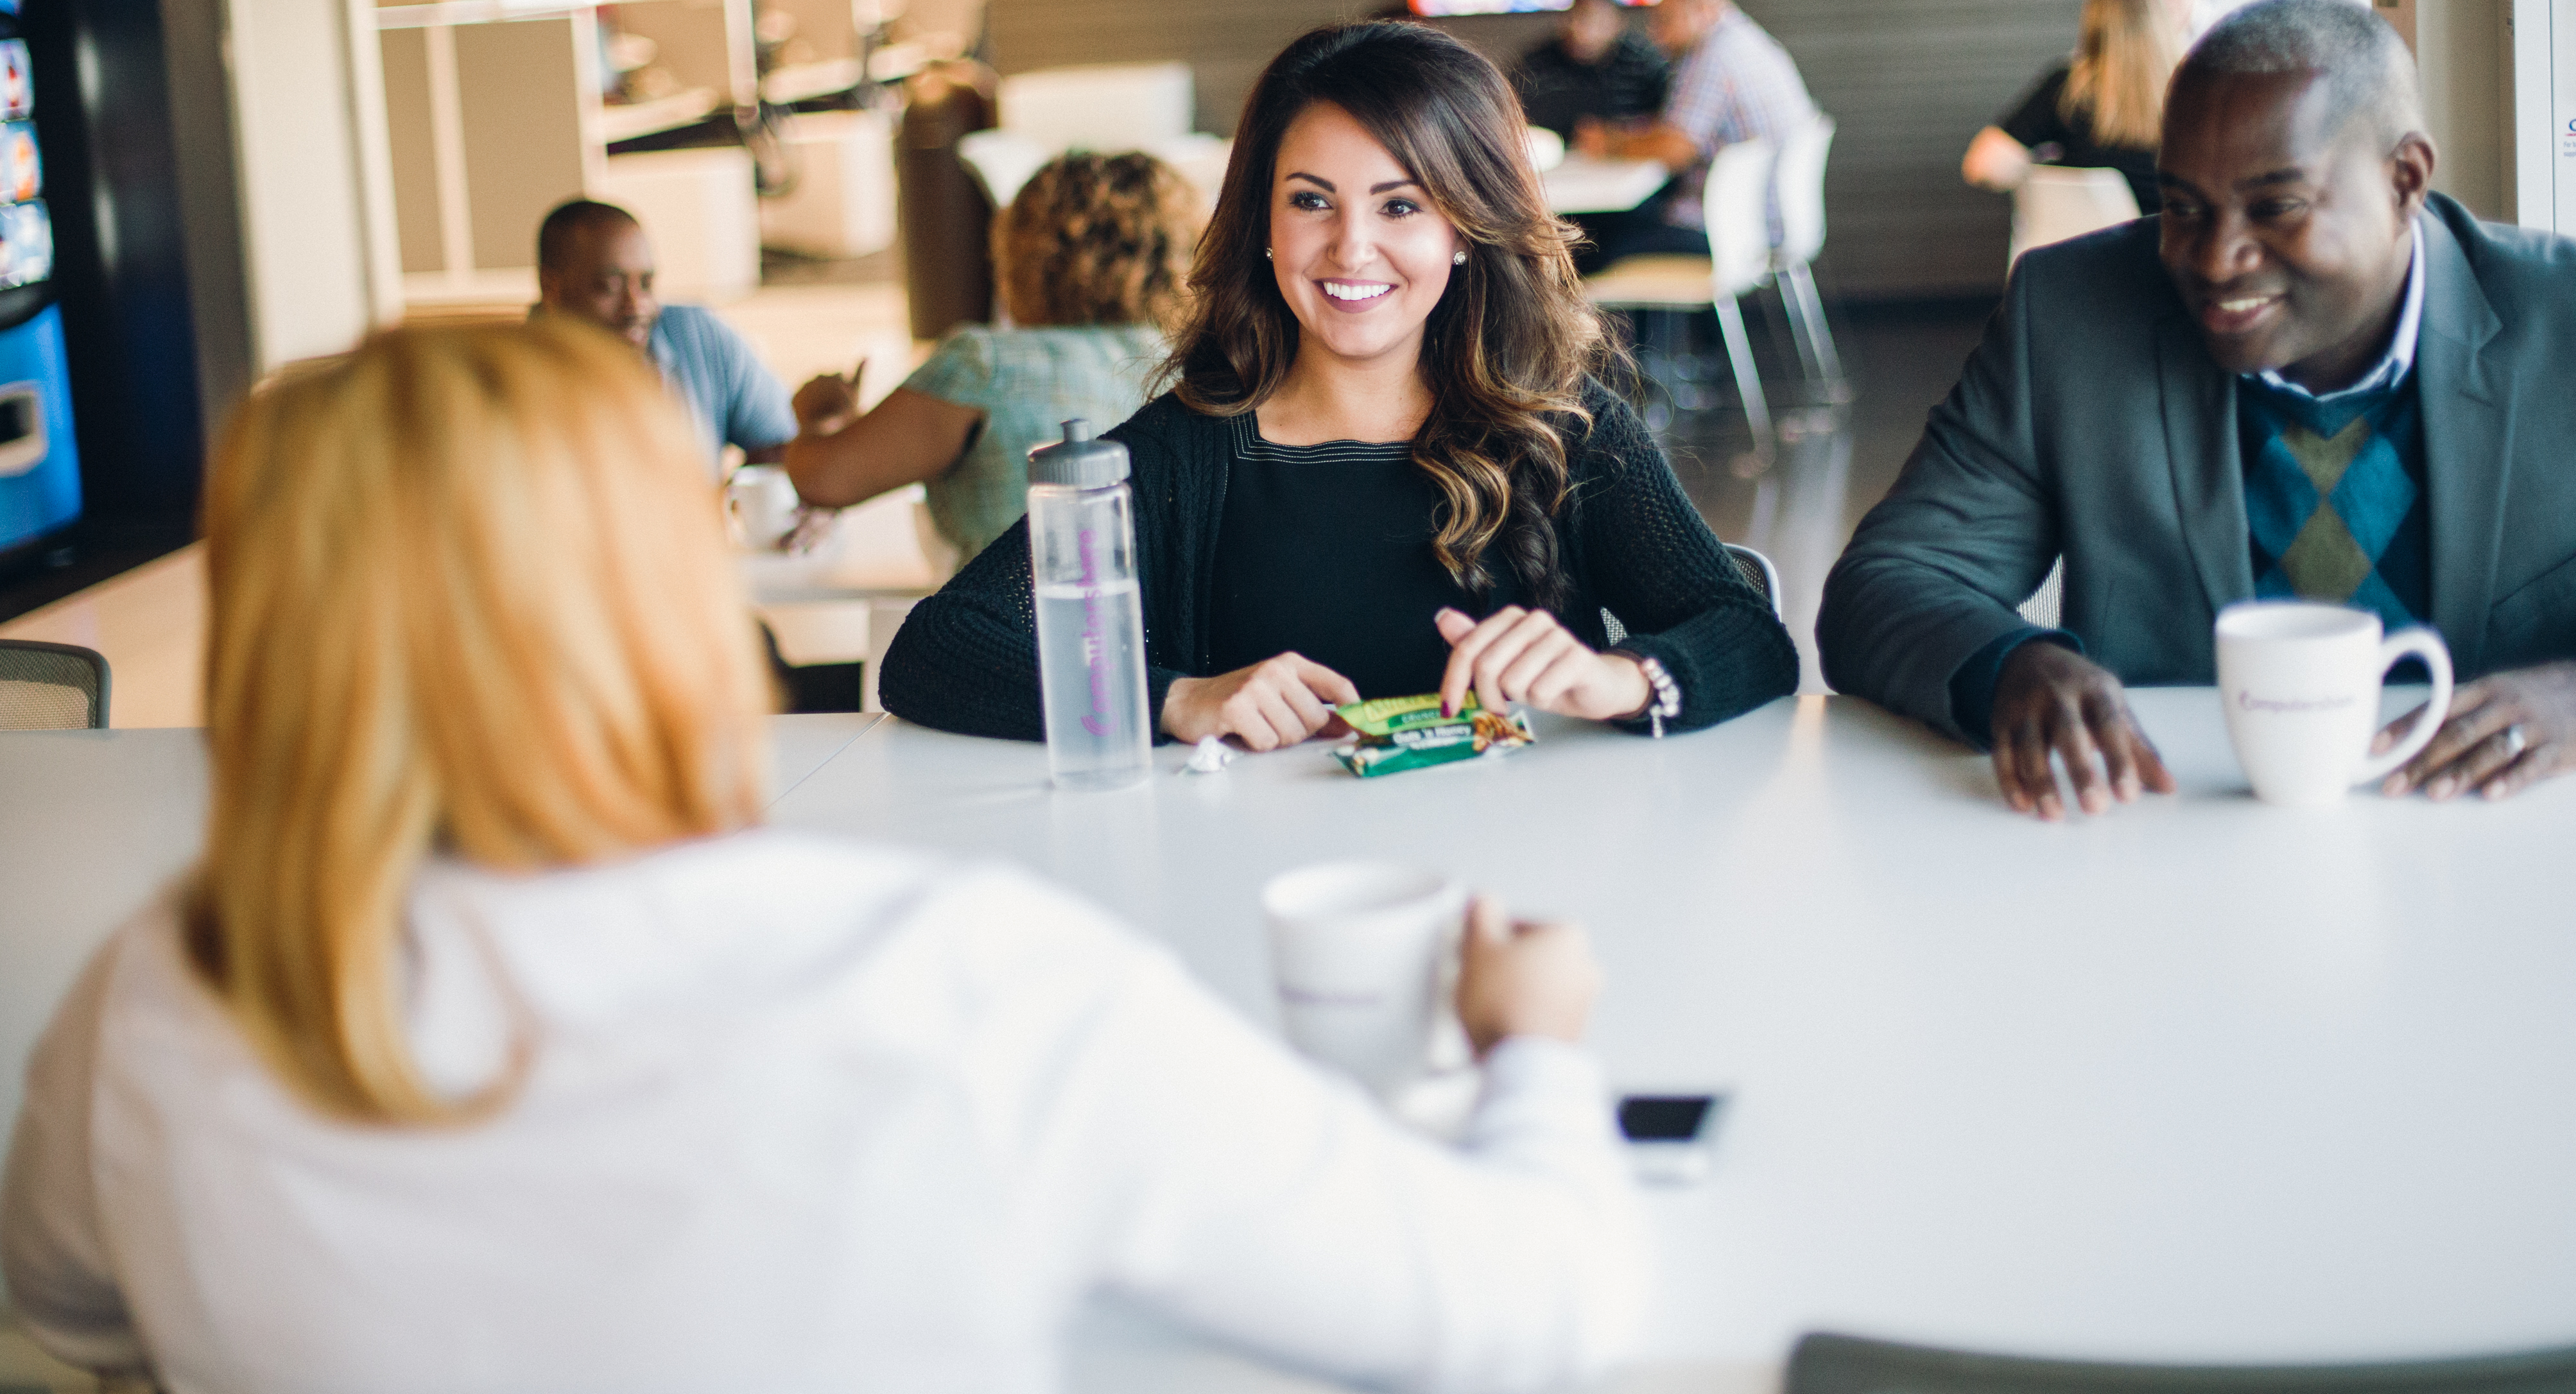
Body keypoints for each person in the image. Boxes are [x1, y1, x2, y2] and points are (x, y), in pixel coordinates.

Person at [0, 321, 1647, 1391]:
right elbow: (1533, 1316)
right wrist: (1533, 1045)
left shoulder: (160, 999)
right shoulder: (960, 988)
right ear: (662, 604)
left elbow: (72, 1330)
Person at [1819, 0, 2576, 818]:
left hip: (2539, 852)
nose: (2215, 258)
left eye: (2276, 206)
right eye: (2182, 206)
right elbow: (1888, 582)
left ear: (2404, 182)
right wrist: (2011, 664)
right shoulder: (2072, 320)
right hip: (2183, 846)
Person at [883, 20, 1798, 745]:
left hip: (1527, 893)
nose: (1350, 248)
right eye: (1311, 200)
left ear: (1464, 230)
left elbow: (1747, 632)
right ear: (1265, 226)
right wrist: (1174, 700)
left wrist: (1619, 679)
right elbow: (938, 650)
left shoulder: (1561, 430)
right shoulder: (1184, 452)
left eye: (1401, 205)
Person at [784, 151, 1196, 567]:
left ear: (1020, 255)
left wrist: (822, 411)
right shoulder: (1195, 369)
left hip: (1015, 627)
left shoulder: (986, 368)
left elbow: (822, 479)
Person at [1571, 0, 1819, 264]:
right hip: (1765, 222)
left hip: (1727, 230)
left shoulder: (1713, 56)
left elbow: (1675, 149)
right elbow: (1681, 128)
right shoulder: (1749, 40)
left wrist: (1609, 143)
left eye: (1667, 20)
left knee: (1589, 245)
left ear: (1703, 10)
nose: (1656, 34)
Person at [535, 197, 793, 471]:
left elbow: (781, 444)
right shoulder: (513, 381)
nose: (636, 306)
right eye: (608, 287)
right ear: (551, 286)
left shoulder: (697, 337)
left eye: (646, 284)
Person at [1961, 0, 2182, 215]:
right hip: (2164, 251)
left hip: (2085, 250)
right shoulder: (2194, 90)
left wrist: (2045, 170)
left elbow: (1984, 166)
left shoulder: (2068, 87)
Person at [1514, 0, 1668, 141]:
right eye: (1579, 17)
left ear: (1617, 24)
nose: (1585, 30)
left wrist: (1615, 136)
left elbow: (1669, 121)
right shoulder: (1536, 65)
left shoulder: (1643, 62)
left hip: (1631, 158)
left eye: (1598, 21)